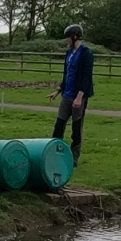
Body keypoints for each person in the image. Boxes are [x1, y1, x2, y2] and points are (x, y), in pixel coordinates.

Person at [48, 23, 95, 165]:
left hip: (78, 96)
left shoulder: (86, 53)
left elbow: (87, 77)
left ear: (75, 36)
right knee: (59, 125)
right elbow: (66, 74)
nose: (66, 40)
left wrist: (79, 97)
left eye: (68, 37)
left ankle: (74, 156)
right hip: (66, 95)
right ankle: (55, 151)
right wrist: (58, 90)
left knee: (76, 127)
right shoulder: (69, 53)